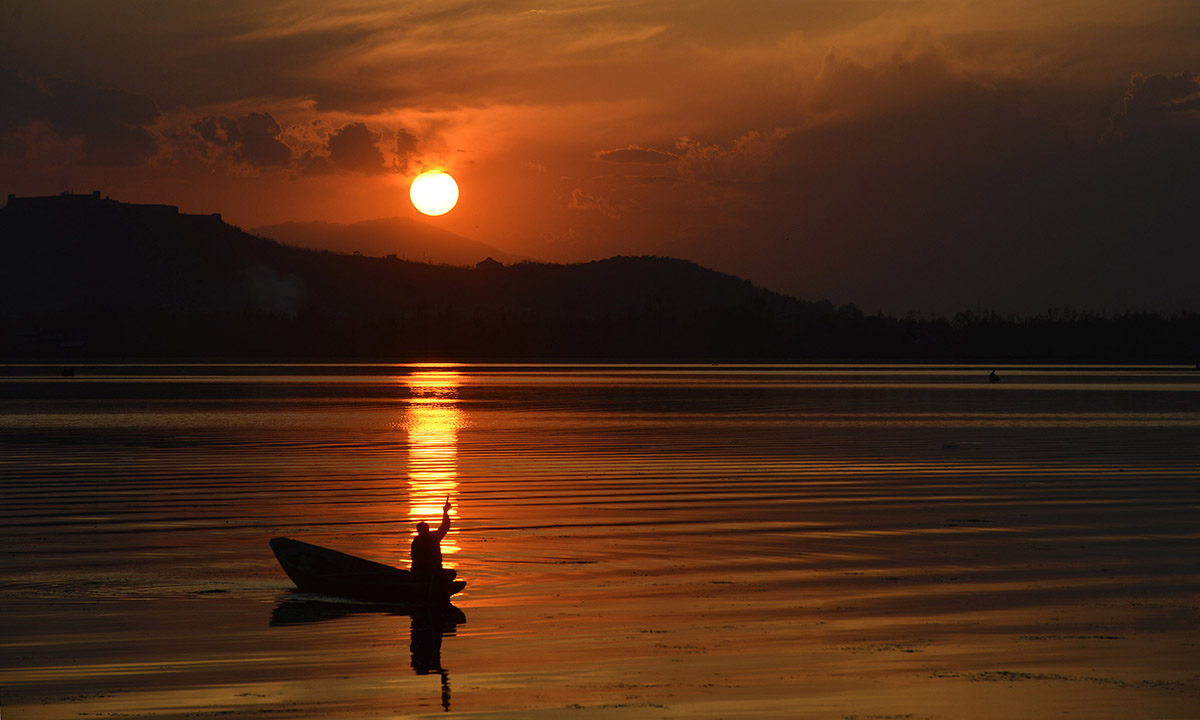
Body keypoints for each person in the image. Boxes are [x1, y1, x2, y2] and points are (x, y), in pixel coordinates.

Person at [411, 497, 456, 585]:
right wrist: (445, 513)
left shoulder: (429, 538)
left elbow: (445, 527)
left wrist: (445, 513)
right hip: (425, 572)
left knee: (452, 573)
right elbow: (445, 527)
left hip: (430, 571)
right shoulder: (430, 538)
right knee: (451, 574)